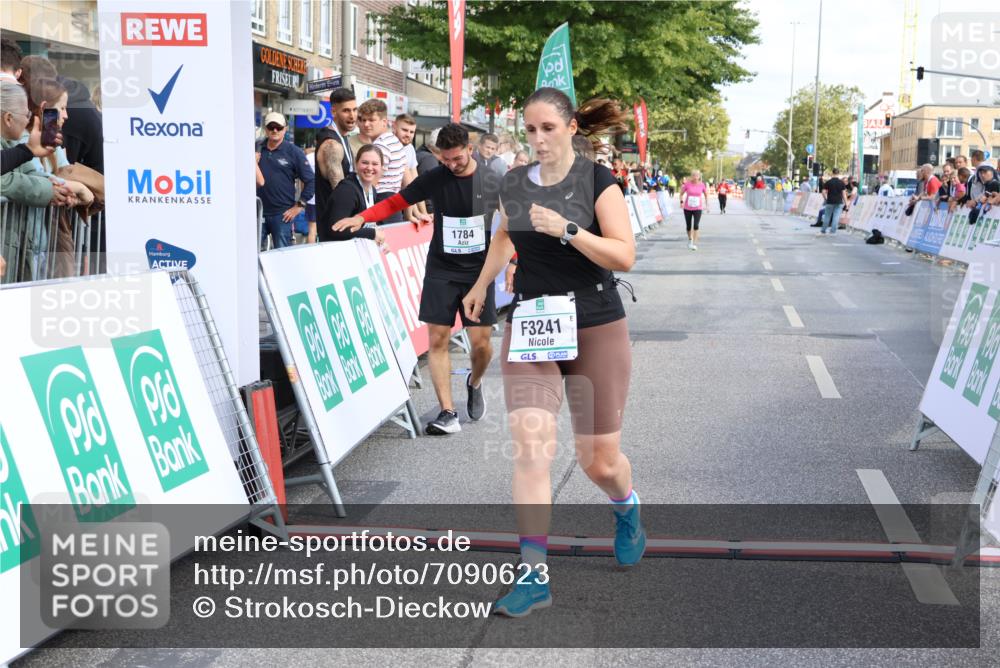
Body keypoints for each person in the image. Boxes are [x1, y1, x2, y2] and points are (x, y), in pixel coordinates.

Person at [459, 87, 643, 617]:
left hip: (595, 324)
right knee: (531, 447)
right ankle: (533, 575)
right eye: (530, 130)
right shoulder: (514, 182)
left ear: (569, 129)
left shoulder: (597, 181)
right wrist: (480, 287)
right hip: (534, 323)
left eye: (548, 129)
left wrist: (567, 230)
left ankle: (626, 506)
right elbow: (502, 239)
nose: (538, 140)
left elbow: (624, 255)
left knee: (598, 461)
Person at [332, 123, 500, 435]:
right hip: (441, 268)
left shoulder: (491, 179)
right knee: (437, 339)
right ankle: (447, 413)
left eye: (457, 159)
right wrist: (362, 217)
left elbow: (514, 221)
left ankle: (474, 381)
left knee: (482, 346)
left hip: (479, 272)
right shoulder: (436, 176)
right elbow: (397, 202)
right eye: (445, 160)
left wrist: (517, 261)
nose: (450, 165)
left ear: (470, 150)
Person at [256, 111, 314, 249]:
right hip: (257, 211)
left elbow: (311, 181)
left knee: (282, 256)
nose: (275, 130)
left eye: (279, 127)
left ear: (285, 129)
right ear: (265, 128)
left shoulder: (294, 152)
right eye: (271, 127)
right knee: (251, 256)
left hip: (282, 215)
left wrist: (299, 206)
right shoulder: (256, 148)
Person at [322, 144, 389, 247]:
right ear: (356, 164)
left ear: (381, 167)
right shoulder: (347, 191)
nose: (369, 168)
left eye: (375, 164)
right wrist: (372, 233)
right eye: (365, 162)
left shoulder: (372, 191)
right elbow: (335, 230)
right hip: (334, 252)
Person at [314, 87, 357, 228]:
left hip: (343, 220)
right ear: (333, 112)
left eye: (354, 110)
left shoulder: (342, 138)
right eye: (346, 110)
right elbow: (340, 193)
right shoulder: (331, 144)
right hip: (335, 225)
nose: (352, 116)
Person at [680, 170, 708, 250]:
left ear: (699, 176)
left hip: (698, 208)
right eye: (693, 175)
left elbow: (706, 195)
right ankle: (690, 239)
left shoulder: (702, 185)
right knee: (688, 226)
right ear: (691, 176)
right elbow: (681, 194)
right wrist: (681, 202)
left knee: (696, 225)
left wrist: (707, 204)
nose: (695, 177)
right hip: (687, 208)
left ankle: (694, 244)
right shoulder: (687, 184)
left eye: (696, 175)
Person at [817, 168, 846, 236]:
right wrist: (846, 203)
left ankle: (823, 230)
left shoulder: (828, 182)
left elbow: (823, 192)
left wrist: (825, 199)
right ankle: (832, 231)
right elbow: (844, 194)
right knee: (836, 217)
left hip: (830, 201)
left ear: (832, 173)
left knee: (827, 216)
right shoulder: (841, 183)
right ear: (838, 174)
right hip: (839, 202)